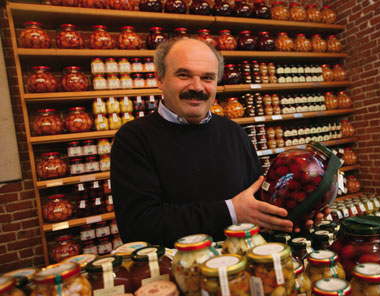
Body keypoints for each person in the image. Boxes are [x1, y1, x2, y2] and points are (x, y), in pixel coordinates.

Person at [111, 38, 326, 247]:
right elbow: (138, 227)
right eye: (184, 75)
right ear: (159, 79)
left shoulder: (234, 132)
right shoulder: (133, 139)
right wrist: (231, 212)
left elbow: (256, 200)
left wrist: (298, 209)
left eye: (208, 78)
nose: (197, 87)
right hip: (178, 272)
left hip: (244, 264)